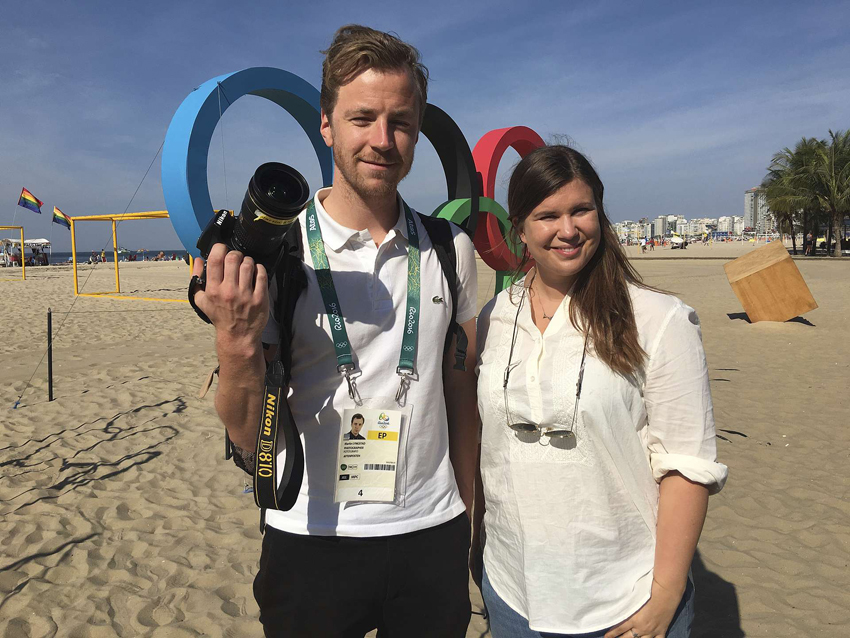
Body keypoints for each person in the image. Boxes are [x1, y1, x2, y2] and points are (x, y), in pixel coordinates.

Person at [191, 24, 478, 637]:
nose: (382, 139)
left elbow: (463, 397)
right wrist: (236, 339)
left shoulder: (451, 249)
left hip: (431, 533)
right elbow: (247, 433)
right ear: (326, 125)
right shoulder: (279, 255)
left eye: (400, 121)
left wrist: (468, 518)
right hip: (310, 535)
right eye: (362, 118)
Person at [473, 146, 728, 638]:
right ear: (520, 228)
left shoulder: (659, 320)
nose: (567, 230)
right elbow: (492, 451)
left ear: (600, 213)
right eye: (547, 215)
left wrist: (665, 597)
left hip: (623, 600)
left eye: (580, 210)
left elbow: (687, 466)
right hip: (512, 592)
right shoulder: (495, 317)